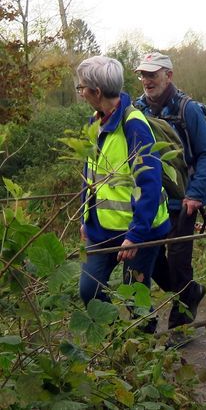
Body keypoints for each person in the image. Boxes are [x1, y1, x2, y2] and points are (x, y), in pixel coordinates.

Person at [77, 56, 171, 330]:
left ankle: (144, 348)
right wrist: (86, 217)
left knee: (135, 297)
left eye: (82, 88)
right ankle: (119, 340)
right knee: (89, 290)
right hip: (101, 230)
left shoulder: (134, 125)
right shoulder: (95, 121)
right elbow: (90, 174)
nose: (80, 93)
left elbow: (149, 182)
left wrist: (136, 234)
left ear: (96, 91)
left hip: (139, 231)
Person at [134, 52, 206, 331]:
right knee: (150, 257)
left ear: (168, 75)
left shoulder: (188, 109)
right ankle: (190, 292)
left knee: (179, 262)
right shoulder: (137, 110)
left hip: (182, 198)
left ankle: (180, 327)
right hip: (149, 200)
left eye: (152, 74)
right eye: (143, 75)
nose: (146, 80)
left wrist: (195, 194)